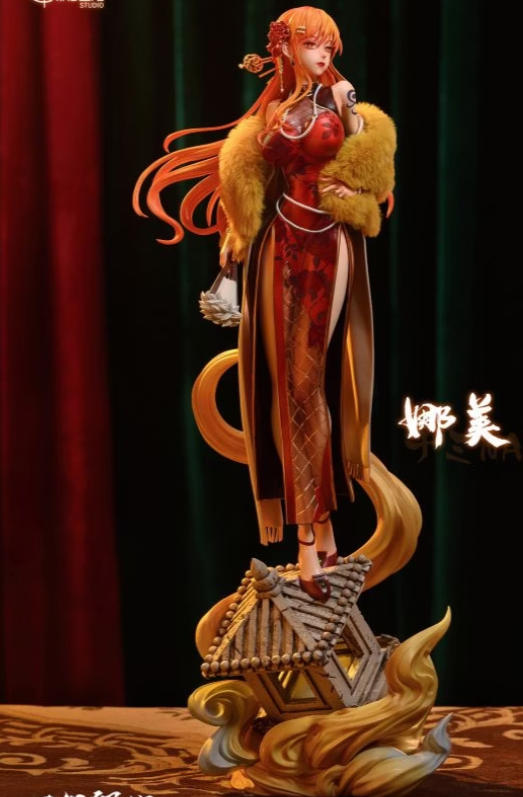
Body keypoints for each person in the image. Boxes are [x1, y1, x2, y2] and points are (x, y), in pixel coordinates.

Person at [133, 6, 396, 602]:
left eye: (328, 46)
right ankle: (318, 531)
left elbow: (376, 174)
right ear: (287, 49)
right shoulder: (274, 112)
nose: (323, 55)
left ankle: (311, 533)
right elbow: (248, 183)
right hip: (280, 243)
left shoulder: (345, 105)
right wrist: (236, 242)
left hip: (328, 243)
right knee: (288, 386)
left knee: (309, 381)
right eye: (312, 45)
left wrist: (352, 140)